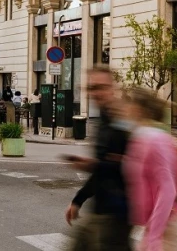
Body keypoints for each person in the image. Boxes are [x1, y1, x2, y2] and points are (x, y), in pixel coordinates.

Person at [65, 66, 131, 250]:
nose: (97, 93)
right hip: (101, 207)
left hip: (116, 211)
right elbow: (103, 167)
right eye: (93, 88)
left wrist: (95, 165)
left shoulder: (120, 121)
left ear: (112, 88)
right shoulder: (103, 118)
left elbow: (126, 166)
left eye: (102, 87)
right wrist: (79, 199)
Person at [123, 87, 177, 250]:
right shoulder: (141, 137)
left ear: (137, 109)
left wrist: (155, 237)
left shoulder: (154, 140)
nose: (123, 109)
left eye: (126, 104)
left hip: (169, 229)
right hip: (158, 226)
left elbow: (168, 189)